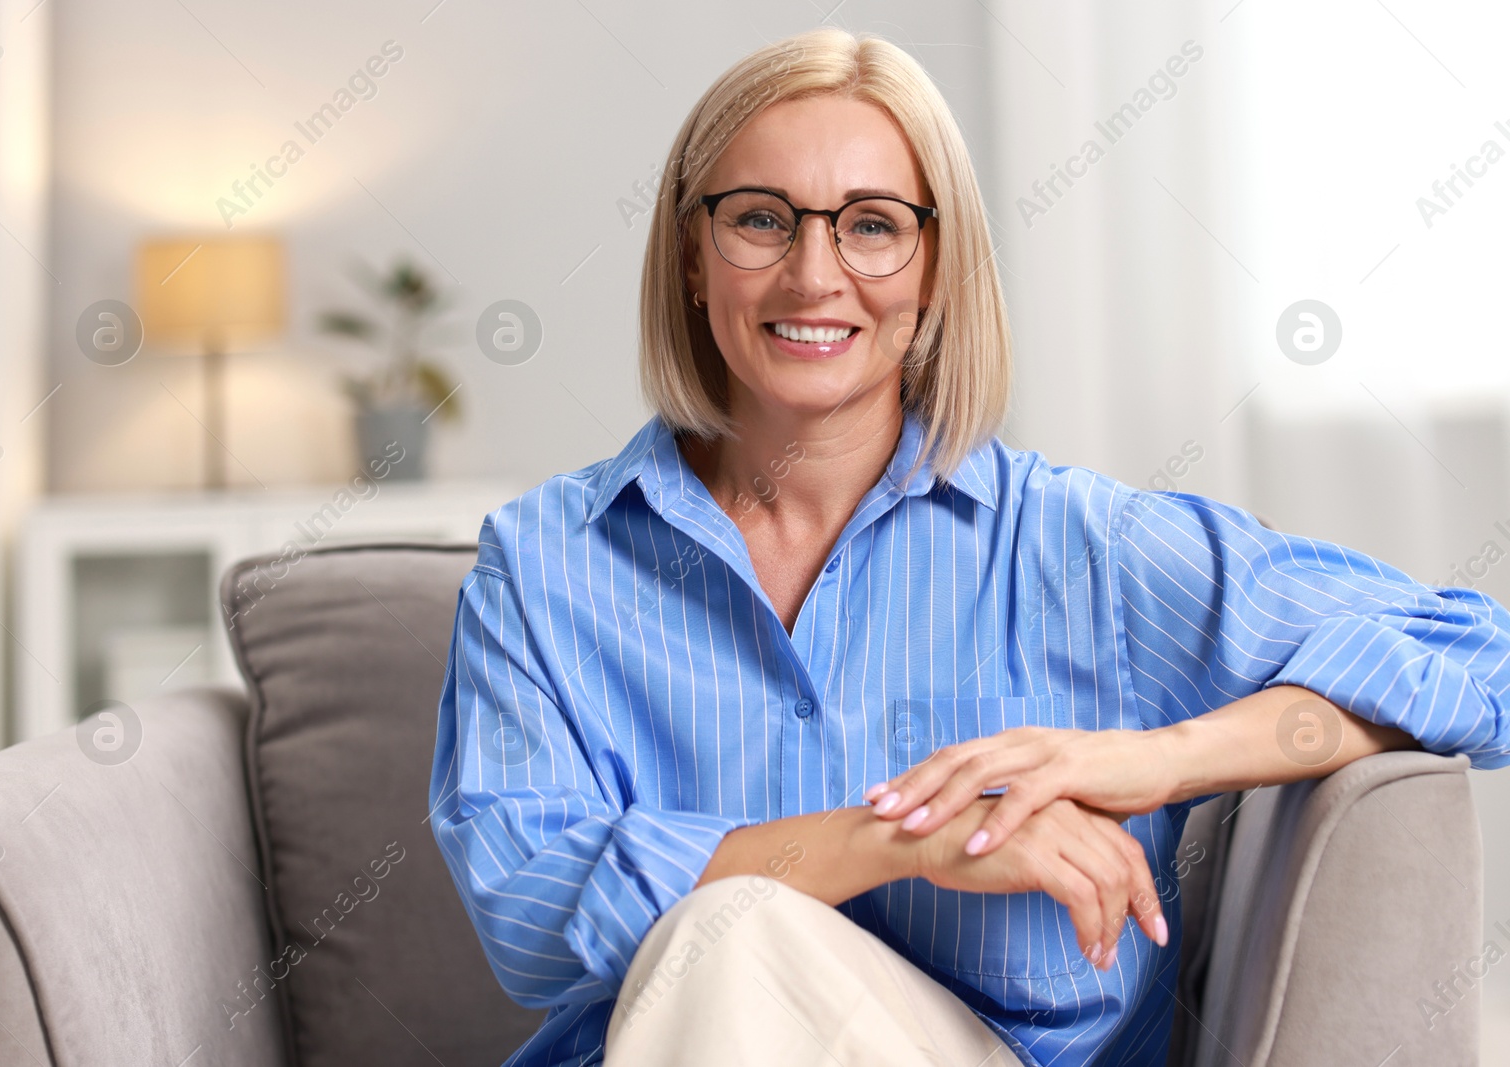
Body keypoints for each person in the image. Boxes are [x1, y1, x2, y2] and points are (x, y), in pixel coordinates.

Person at [428, 26, 1510, 1067]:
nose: (814, 273)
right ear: (691, 257)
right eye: (760, 220)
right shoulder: (545, 563)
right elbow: (528, 905)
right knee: (738, 933)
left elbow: (1478, 653)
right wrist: (897, 839)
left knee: (744, 927)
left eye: (871, 223)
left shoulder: (1088, 550)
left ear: (935, 268)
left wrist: (1151, 759)